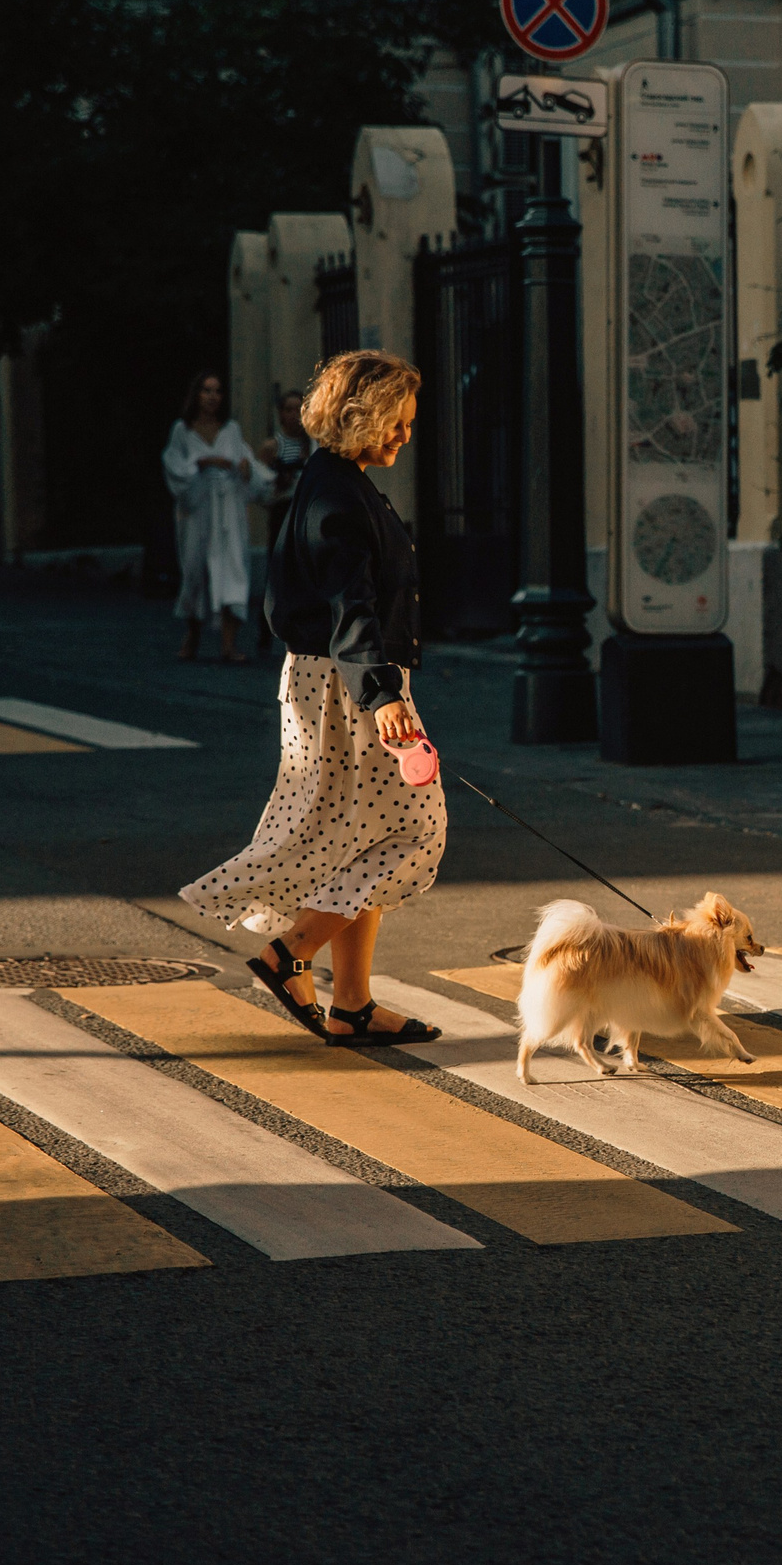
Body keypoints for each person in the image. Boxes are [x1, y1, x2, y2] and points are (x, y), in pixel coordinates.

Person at [178, 350, 442, 1047]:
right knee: (412, 831)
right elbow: (348, 601)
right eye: (400, 423)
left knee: (365, 838)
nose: (405, 437)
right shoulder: (335, 496)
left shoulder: (338, 480)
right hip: (349, 686)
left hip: (343, 680)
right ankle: (289, 953)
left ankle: (352, 1002)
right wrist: (383, 691)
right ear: (368, 416)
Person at [161, 370, 270, 662]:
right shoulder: (182, 430)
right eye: (206, 390)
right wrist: (204, 461)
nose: (212, 397)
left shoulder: (231, 429)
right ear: (196, 394)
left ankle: (228, 644)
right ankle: (193, 634)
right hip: (198, 512)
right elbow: (174, 467)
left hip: (229, 510)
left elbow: (247, 464)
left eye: (217, 391)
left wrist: (247, 469)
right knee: (196, 571)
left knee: (233, 570)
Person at [252, 388, 312, 656]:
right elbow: (258, 486)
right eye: (289, 410)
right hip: (282, 509)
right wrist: (277, 484)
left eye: (299, 410)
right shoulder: (272, 446)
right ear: (280, 413)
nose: (295, 416)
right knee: (277, 570)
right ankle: (266, 629)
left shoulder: (311, 444)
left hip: (305, 510)